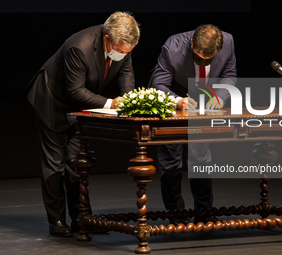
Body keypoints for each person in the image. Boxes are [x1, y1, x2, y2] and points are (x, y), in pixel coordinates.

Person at [26, 12, 140, 237]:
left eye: (127, 52)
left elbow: (126, 77)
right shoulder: (79, 46)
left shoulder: (123, 47)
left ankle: (81, 219)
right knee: (55, 166)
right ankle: (57, 221)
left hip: (80, 107)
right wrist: (111, 103)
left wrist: (130, 103)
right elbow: (75, 91)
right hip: (53, 101)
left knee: (77, 164)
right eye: (120, 50)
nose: (123, 55)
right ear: (107, 39)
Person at [148, 24, 237, 224]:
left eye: (208, 59)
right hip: (176, 105)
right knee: (171, 160)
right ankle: (176, 213)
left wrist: (221, 97)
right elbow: (158, 84)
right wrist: (176, 100)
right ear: (191, 44)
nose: (203, 62)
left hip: (205, 106)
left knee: (201, 157)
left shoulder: (228, 42)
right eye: (198, 57)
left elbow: (230, 76)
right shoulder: (172, 47)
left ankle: (204, 212)